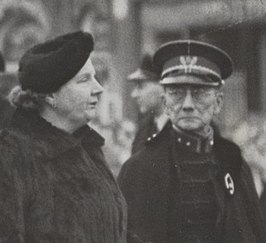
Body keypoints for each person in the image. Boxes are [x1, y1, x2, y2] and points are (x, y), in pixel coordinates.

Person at [118, 40, 265, 243]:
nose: (187, 105)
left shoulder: (235, 165)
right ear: (165, 103)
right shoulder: (138, 169)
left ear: (218, 102)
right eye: (176, 93)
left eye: (199, 93)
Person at [0, 31, 127, 242]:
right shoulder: (12, 154)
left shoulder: (88, 148)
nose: (98, 88)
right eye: (84, 80)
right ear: (50, 95)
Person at [128, 54, 168, 154]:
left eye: (141, 86)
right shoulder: (142, 132)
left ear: (163, 87)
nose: (134, 94)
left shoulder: (182, 128)